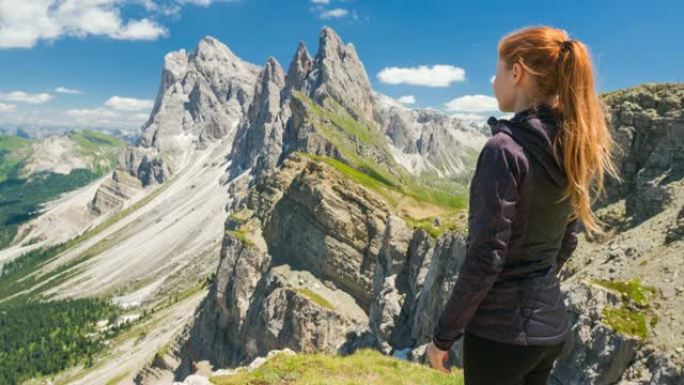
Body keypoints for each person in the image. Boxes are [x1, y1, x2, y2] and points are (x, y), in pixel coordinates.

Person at [426, 25, 622, 385]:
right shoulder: (570, 144)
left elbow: (486, 256)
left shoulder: (504, 149)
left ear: (516, 72)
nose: (491, 79)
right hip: (548, 330)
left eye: (497, 69)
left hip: (500, 336)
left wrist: (443, 336)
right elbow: (567, 240)